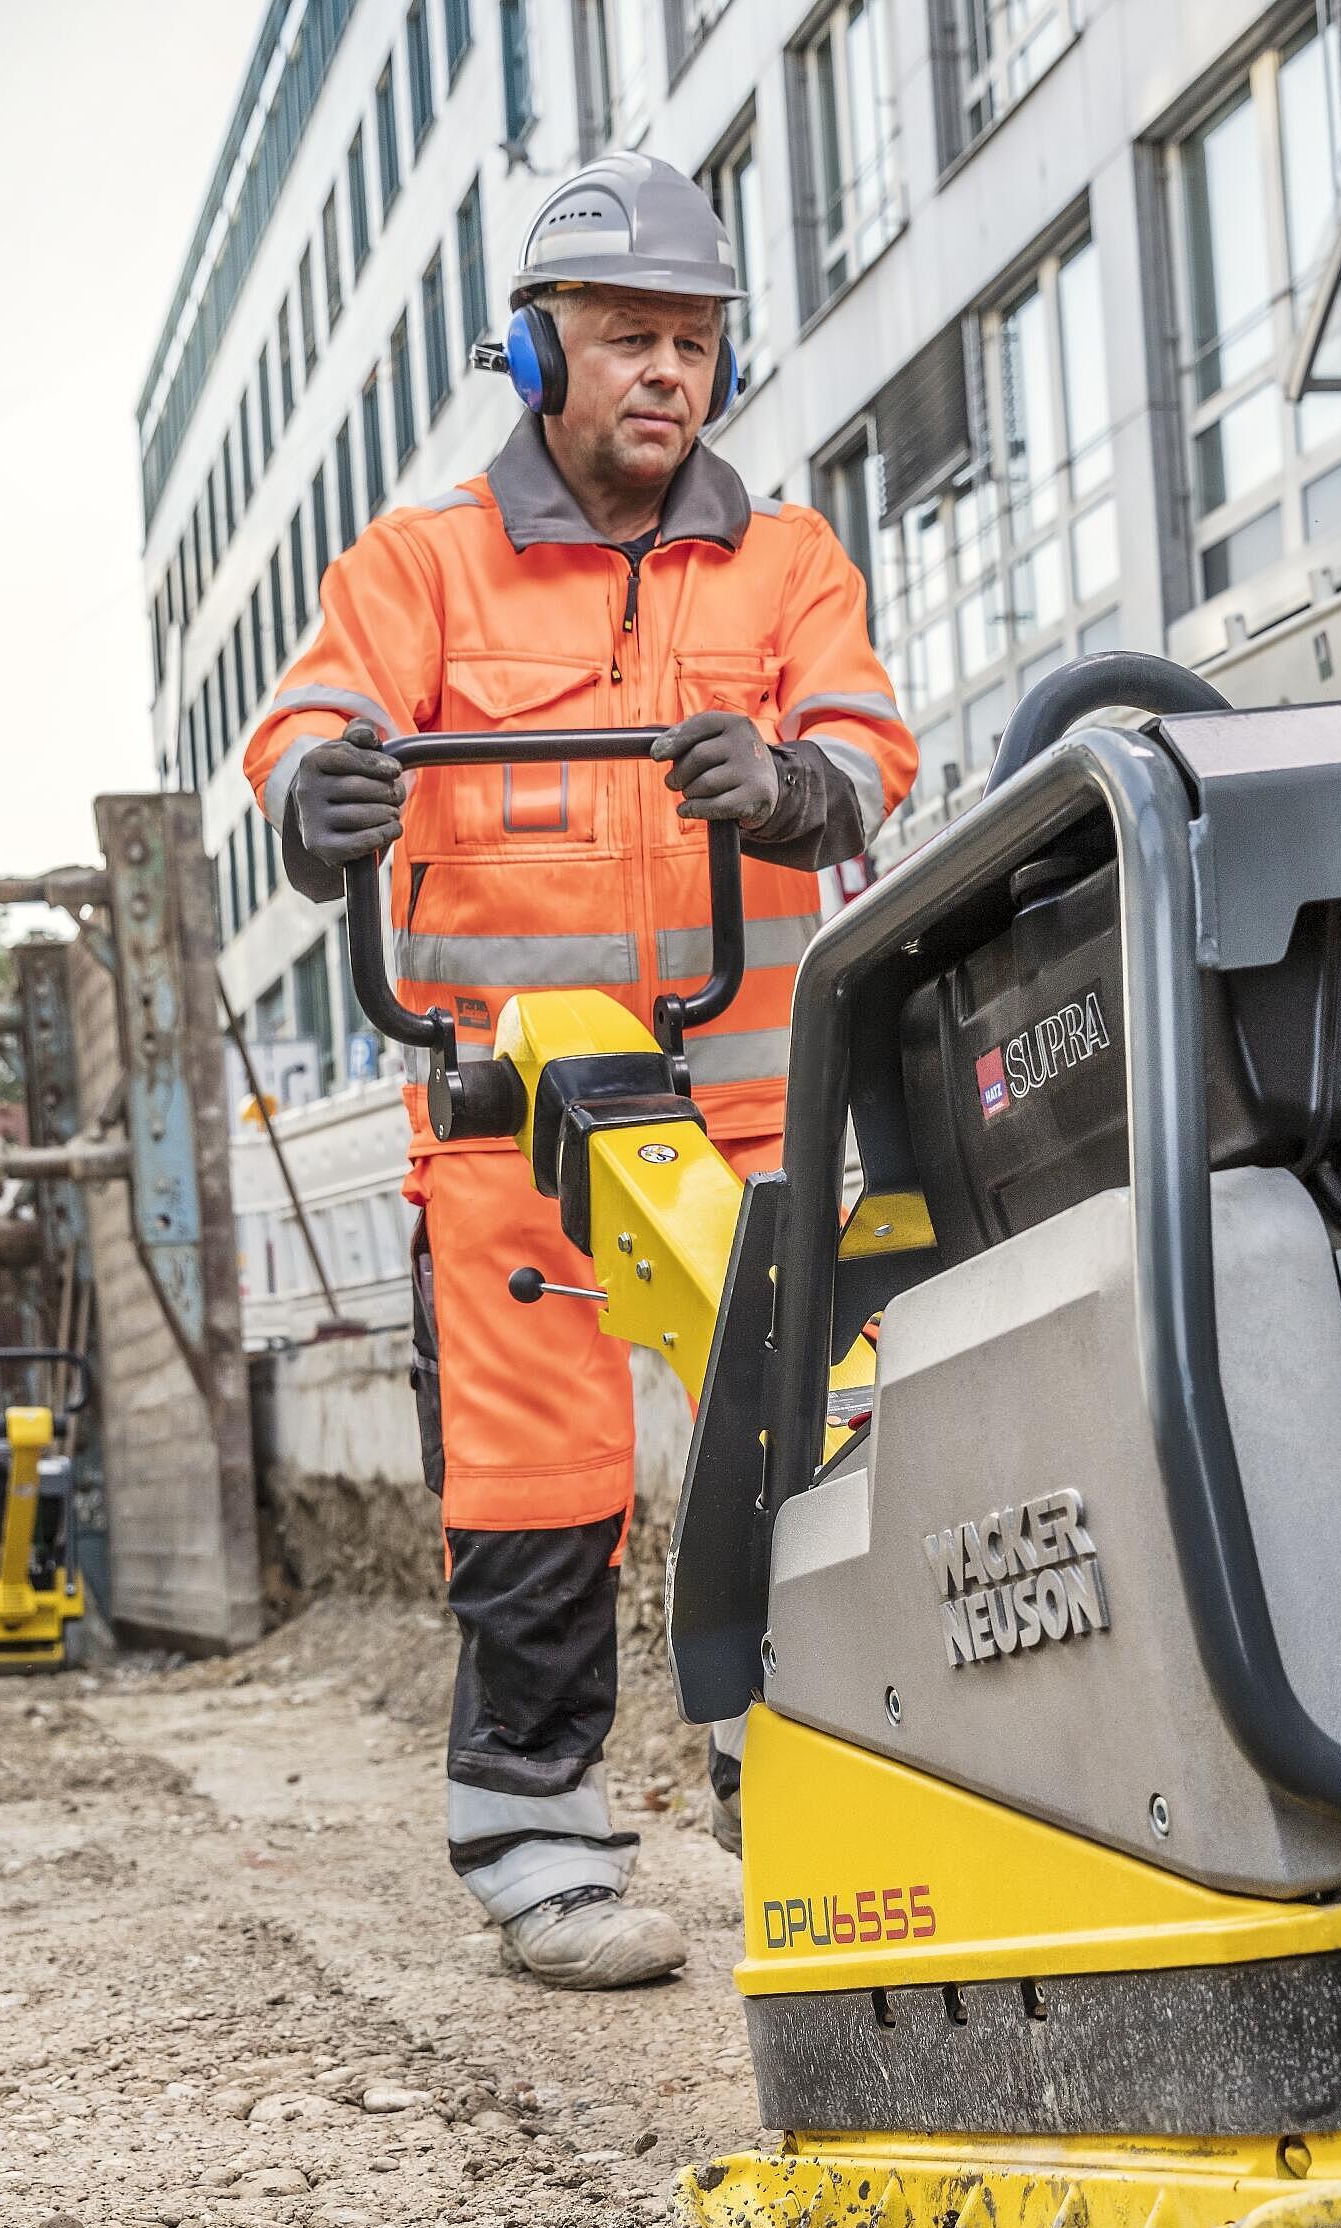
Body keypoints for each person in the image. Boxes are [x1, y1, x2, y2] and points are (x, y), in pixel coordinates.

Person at [240, 153, 914, 1992]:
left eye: (692, 340)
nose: (667, 371)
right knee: (537, 1485)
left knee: (817, 1453)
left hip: (755, 1114)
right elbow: (306, 730)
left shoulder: (788, 561)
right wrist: (316, 795)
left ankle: (812, 1793)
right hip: (507, 1127)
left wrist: (794, 784)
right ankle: (535, 1844)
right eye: (627, 337)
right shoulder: (418, 568)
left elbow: (867, 743)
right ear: (539, 357)